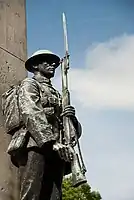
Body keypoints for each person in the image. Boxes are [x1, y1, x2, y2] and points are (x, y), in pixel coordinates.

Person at [7, 50, 82, 200]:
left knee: (55, 195)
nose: (52, 64)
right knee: (32, 192)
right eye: (46, 61)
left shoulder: (57, 94)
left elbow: (72, 131)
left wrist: (71, 119)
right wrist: (50, 141)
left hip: (58, 148)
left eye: (53, 61)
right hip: (35, 144)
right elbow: (31, 112)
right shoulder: (30, 84)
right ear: (35, 65)